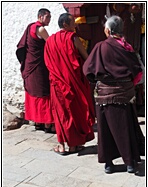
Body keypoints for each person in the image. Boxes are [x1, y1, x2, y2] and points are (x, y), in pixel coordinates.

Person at [83, 15, 145, 173]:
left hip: (104, 94)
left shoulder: (100, 47)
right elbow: (138, 72)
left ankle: (109, 164)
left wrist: (98, 80)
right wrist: (128, 85)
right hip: (124, 95)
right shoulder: (127, 47)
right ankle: (130, 163)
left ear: (108, 30)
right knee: (126, 127)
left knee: (105, 129)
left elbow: (87, 70)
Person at [44, 13, 95, 154]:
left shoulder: (50, 41)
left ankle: (62, 145)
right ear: (65, 25)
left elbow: (48, 63)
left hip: (57, 83)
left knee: (60, 113)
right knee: (75, 112)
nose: (75, 25)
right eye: (73, 23)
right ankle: (74, 144)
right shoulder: (73, 38)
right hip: (73, 82)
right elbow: (86, 57)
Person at [16, 8, 55, 133]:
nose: (49, 19)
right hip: (39, 67)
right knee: (43, 92)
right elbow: (51, 44)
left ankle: (37, 122)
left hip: (30, 65)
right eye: (48, 17)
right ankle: (48, 124)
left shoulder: (30, 28)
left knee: (33, 91)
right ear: (40, 17)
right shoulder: (41, 29)